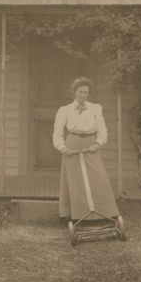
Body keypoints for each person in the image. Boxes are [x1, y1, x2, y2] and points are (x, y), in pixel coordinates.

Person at [53, 76, 120, 223]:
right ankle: (74, 216)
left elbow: (102, 130)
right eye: (81, 92)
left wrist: (98, 143)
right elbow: (57, 133)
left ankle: (104, 213)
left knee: (98, 178)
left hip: (90, 145)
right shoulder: (65, 110)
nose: (83, 95)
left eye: (86, 92)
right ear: (74, 92)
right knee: (75, 180)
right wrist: (63, 148)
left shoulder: (95, 108)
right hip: (72, 146)